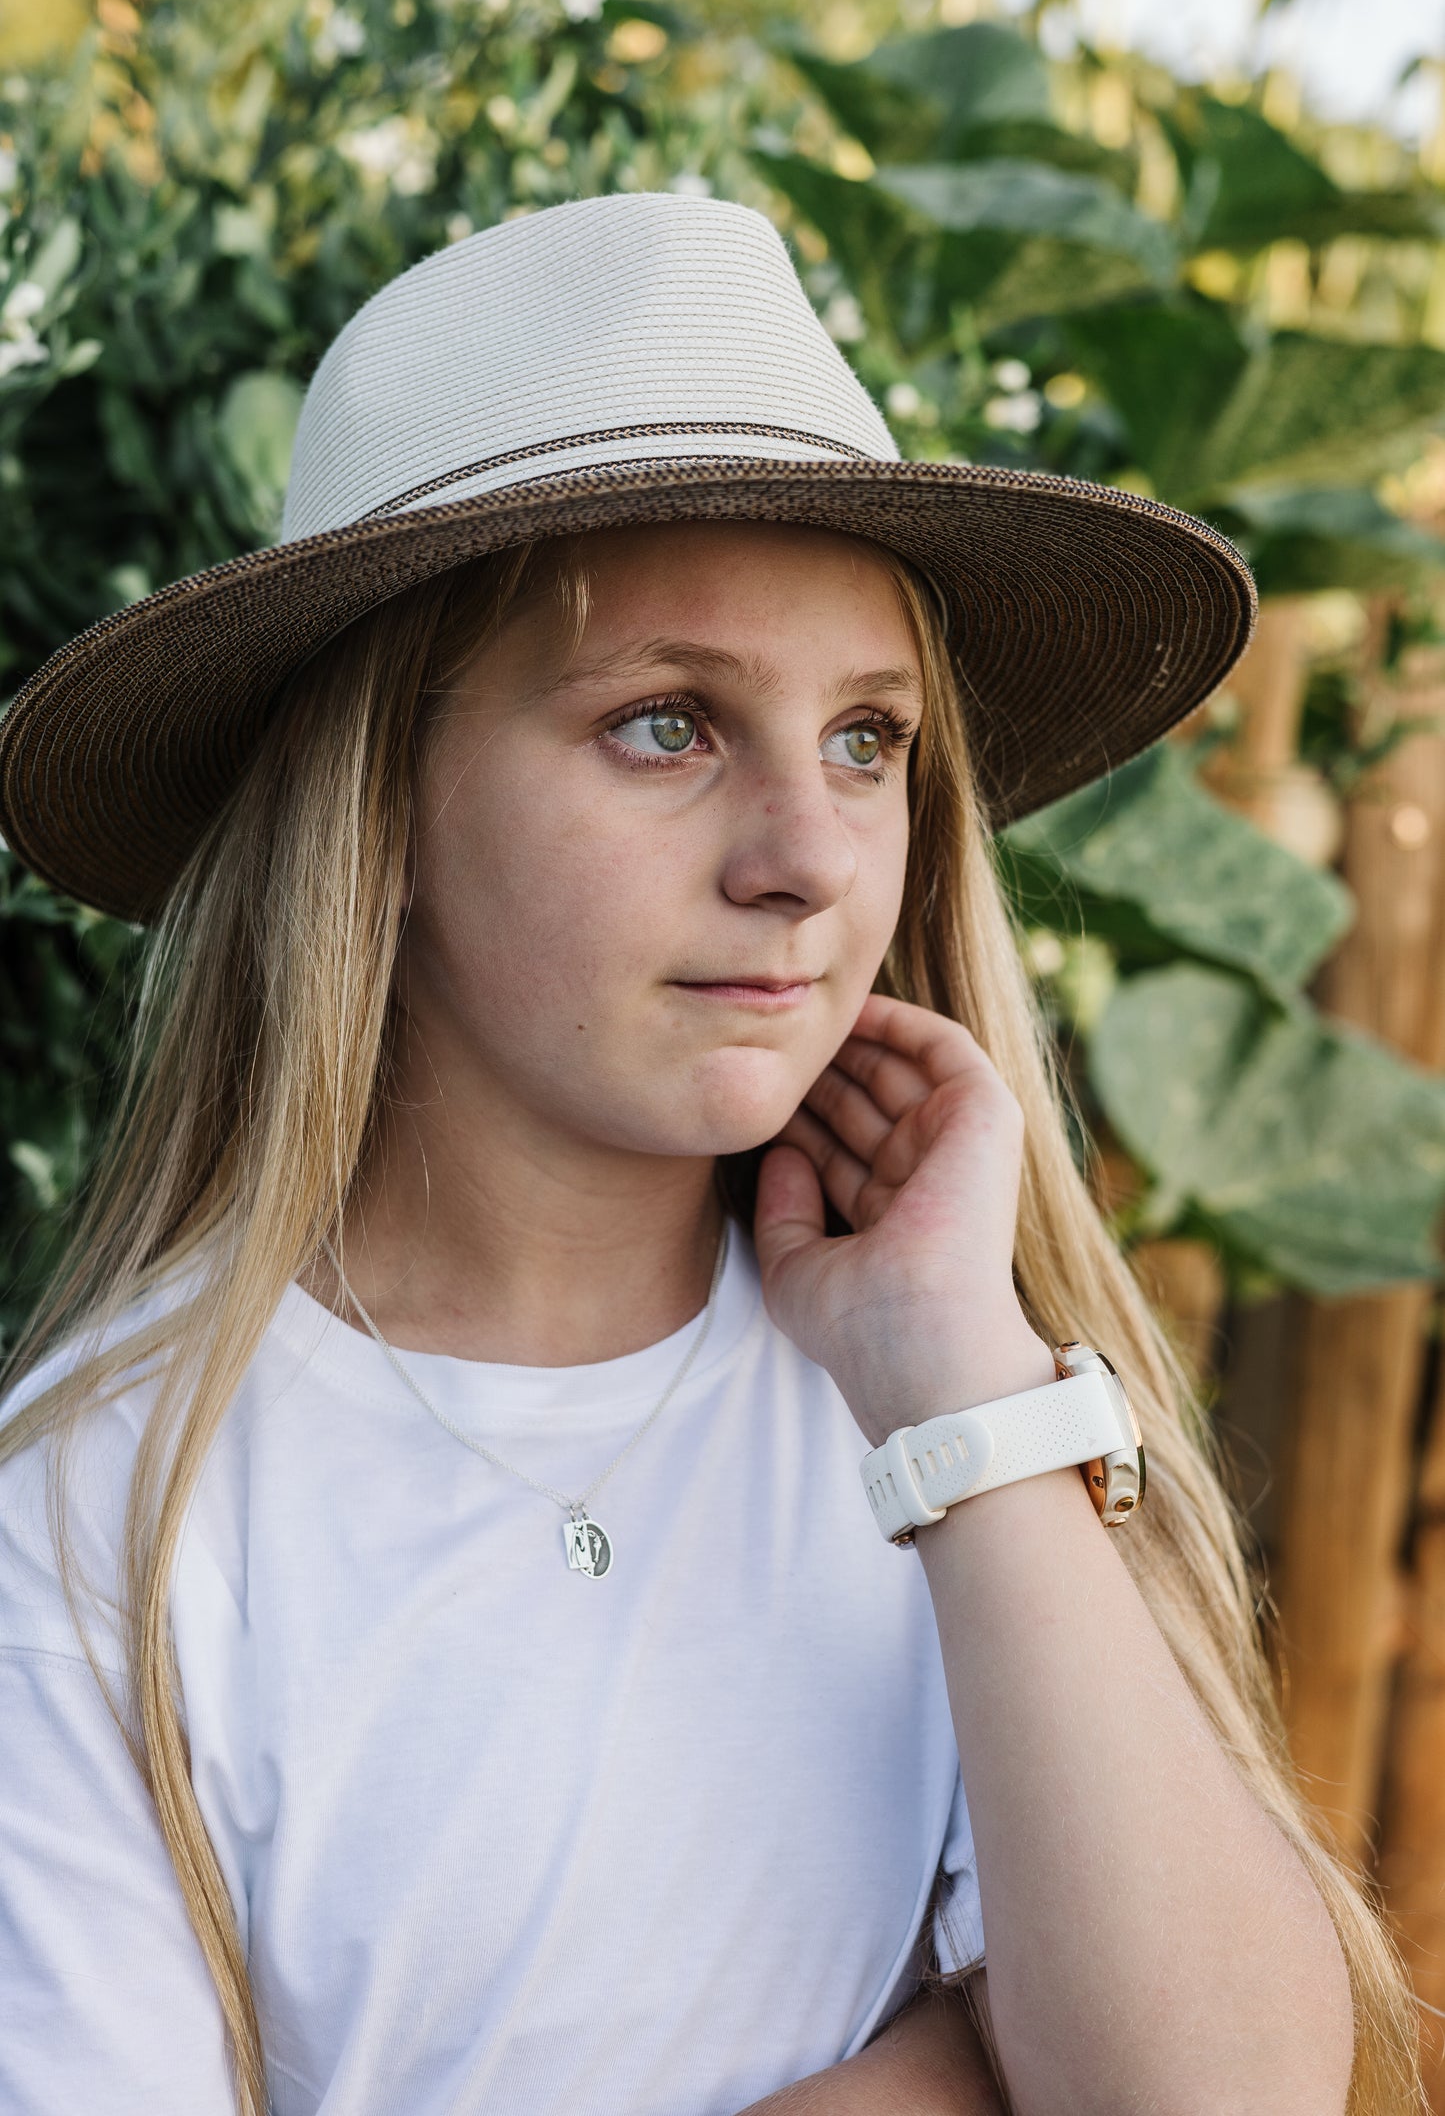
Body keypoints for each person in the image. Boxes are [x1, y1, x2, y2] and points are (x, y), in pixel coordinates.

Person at [0, 191, 1421, 2116]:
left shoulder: (952, 1405)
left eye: (865, 742)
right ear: (376, 810)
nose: (810, 857)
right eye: (664, 724)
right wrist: (943, 2079)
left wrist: (958, 1392)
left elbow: (1218, 2093)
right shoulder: (106, 1521)